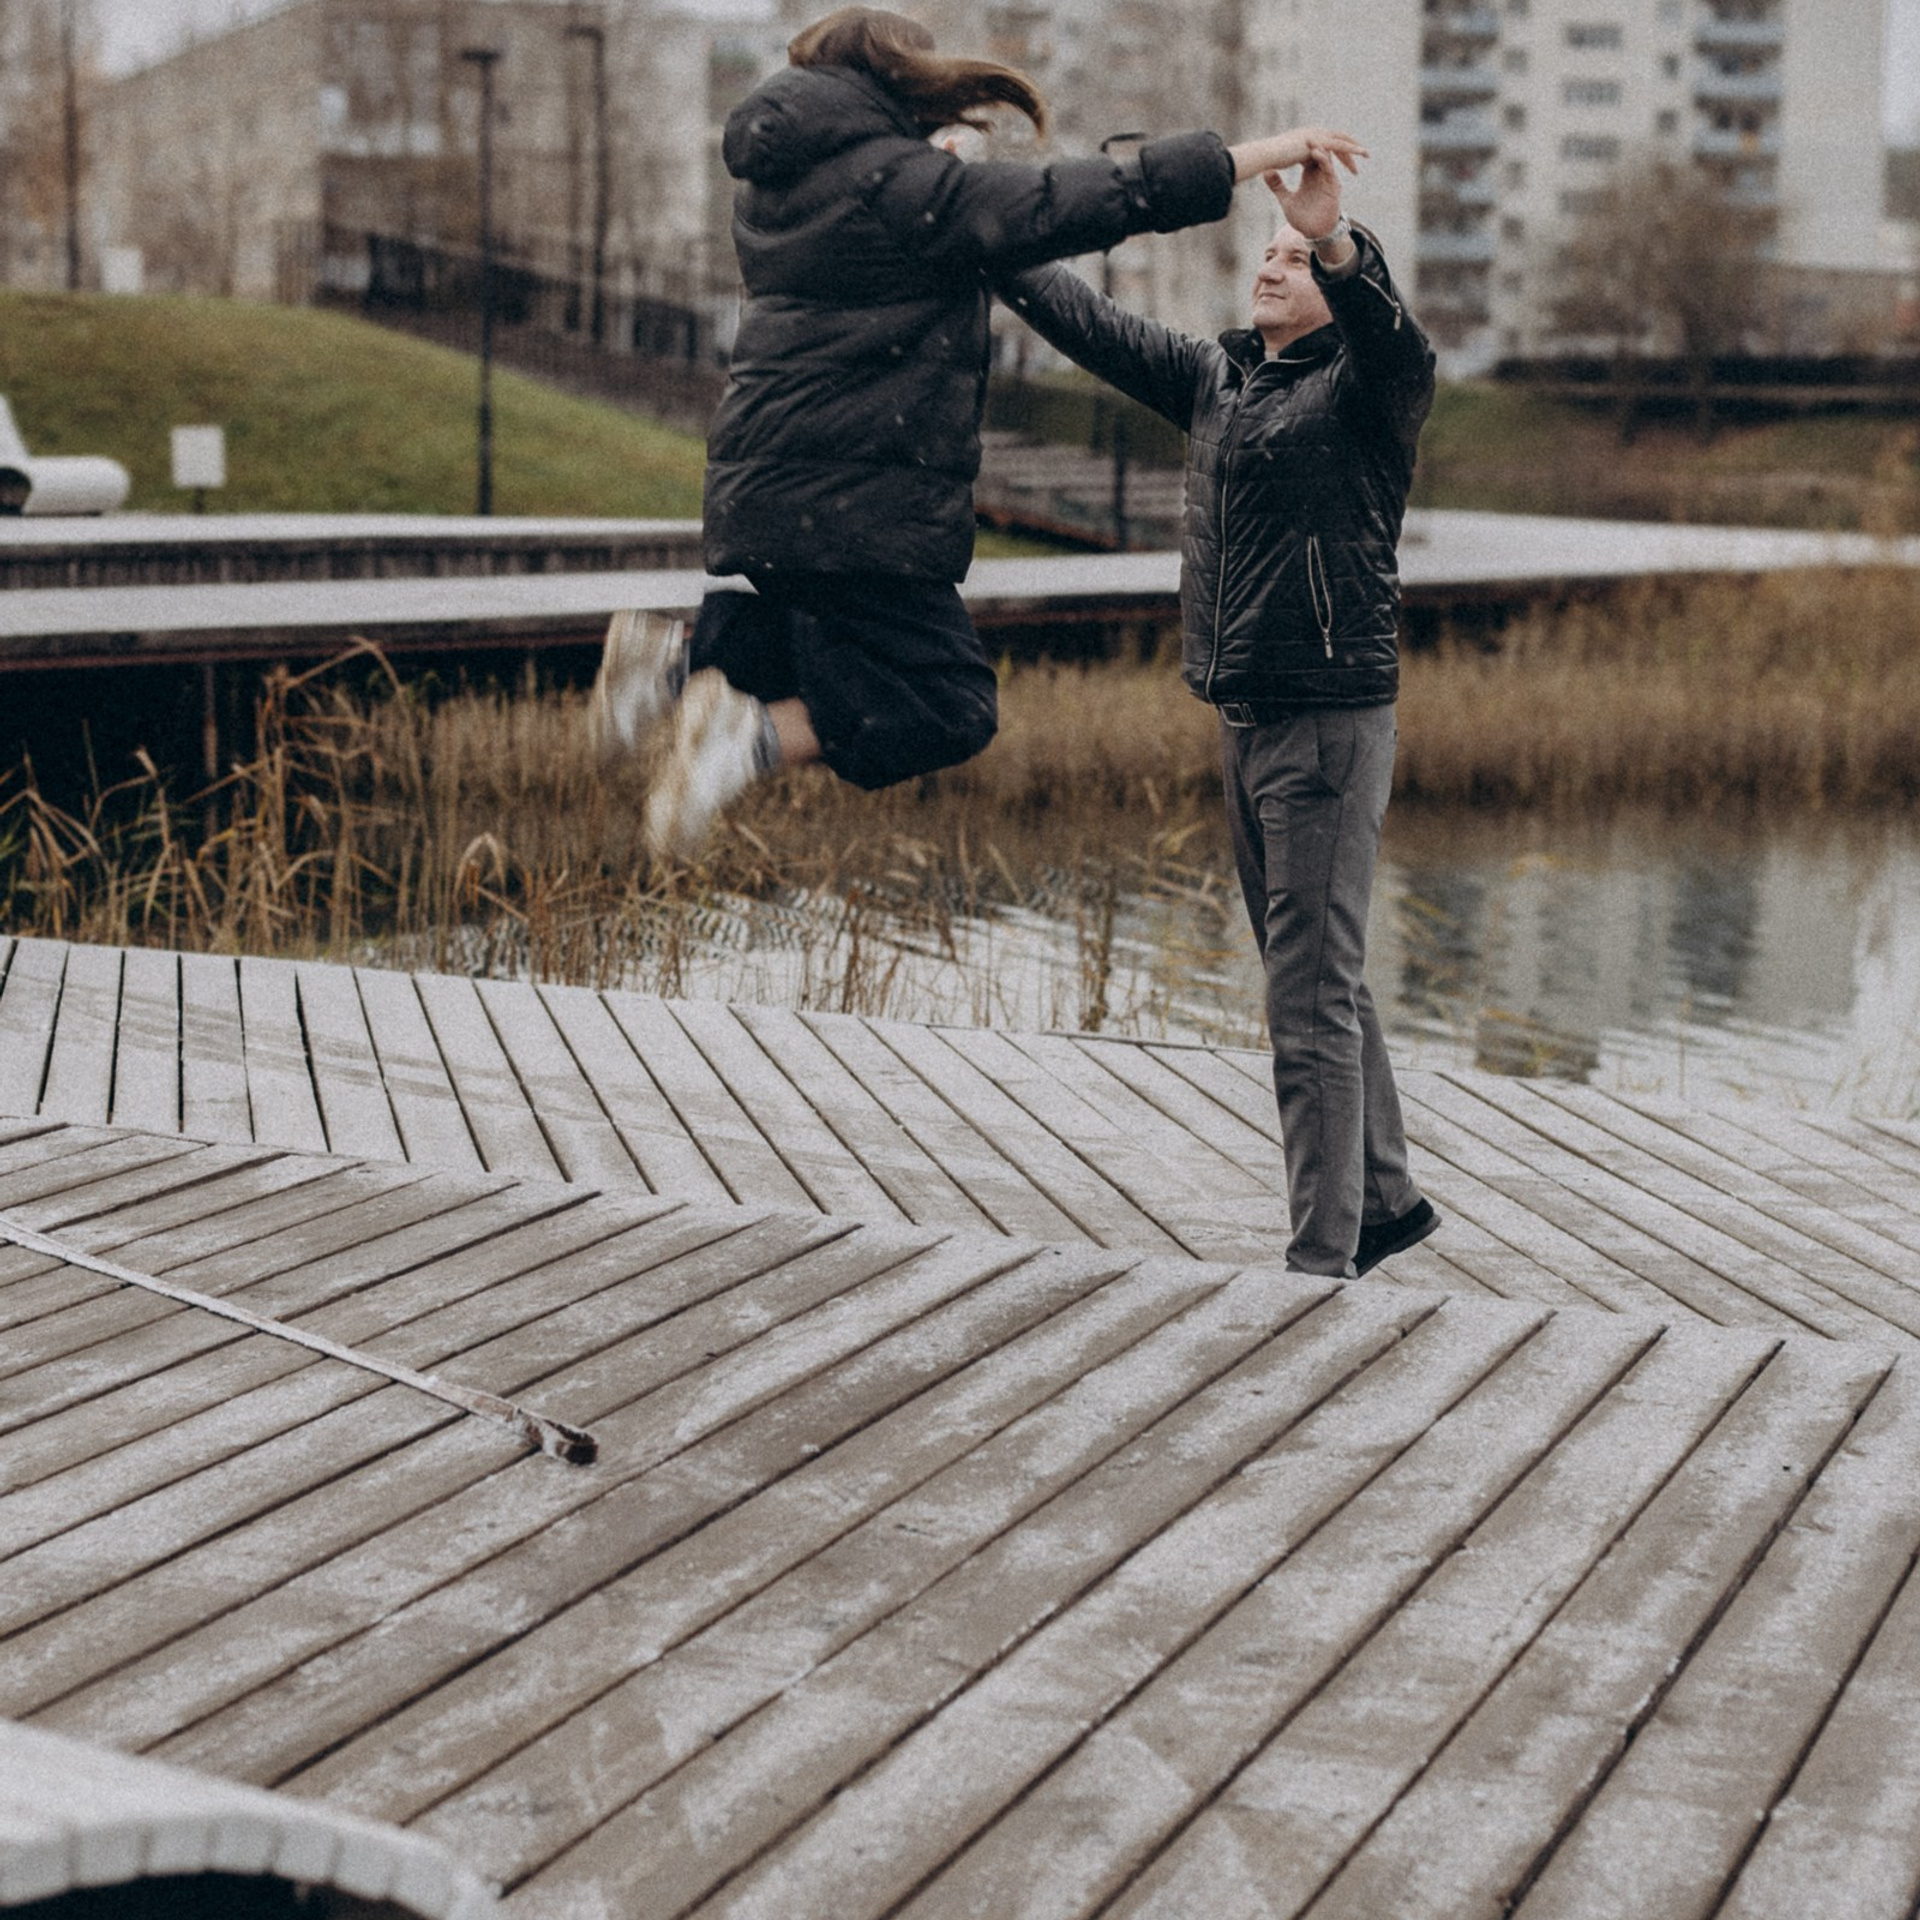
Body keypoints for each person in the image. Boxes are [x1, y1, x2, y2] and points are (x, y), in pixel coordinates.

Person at [585, 3, 1364, 860]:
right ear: (904, 82)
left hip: (768, 493)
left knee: (820, 648)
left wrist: (951, 190)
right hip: (860, 499)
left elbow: (940, 240)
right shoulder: (909, 187)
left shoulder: (779, 188)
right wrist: (1261, 154)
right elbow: (1092, 197)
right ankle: (747, 739)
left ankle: (674, 660)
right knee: (947, 703)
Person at [997, 147, 1440, 1279]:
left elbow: (1396, 337)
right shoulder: (1220, 383)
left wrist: (1335, 239)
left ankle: (1320, 1263)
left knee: (1307, 998)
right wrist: (981, 229)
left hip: (1328, 722)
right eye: (1270, 253)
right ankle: (1385, 1199)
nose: (1273, 267)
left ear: (1332, 287)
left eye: (1296, 260)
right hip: (1245, 716)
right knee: (1320, 974)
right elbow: (1089, 324)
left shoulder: (1369, 390)